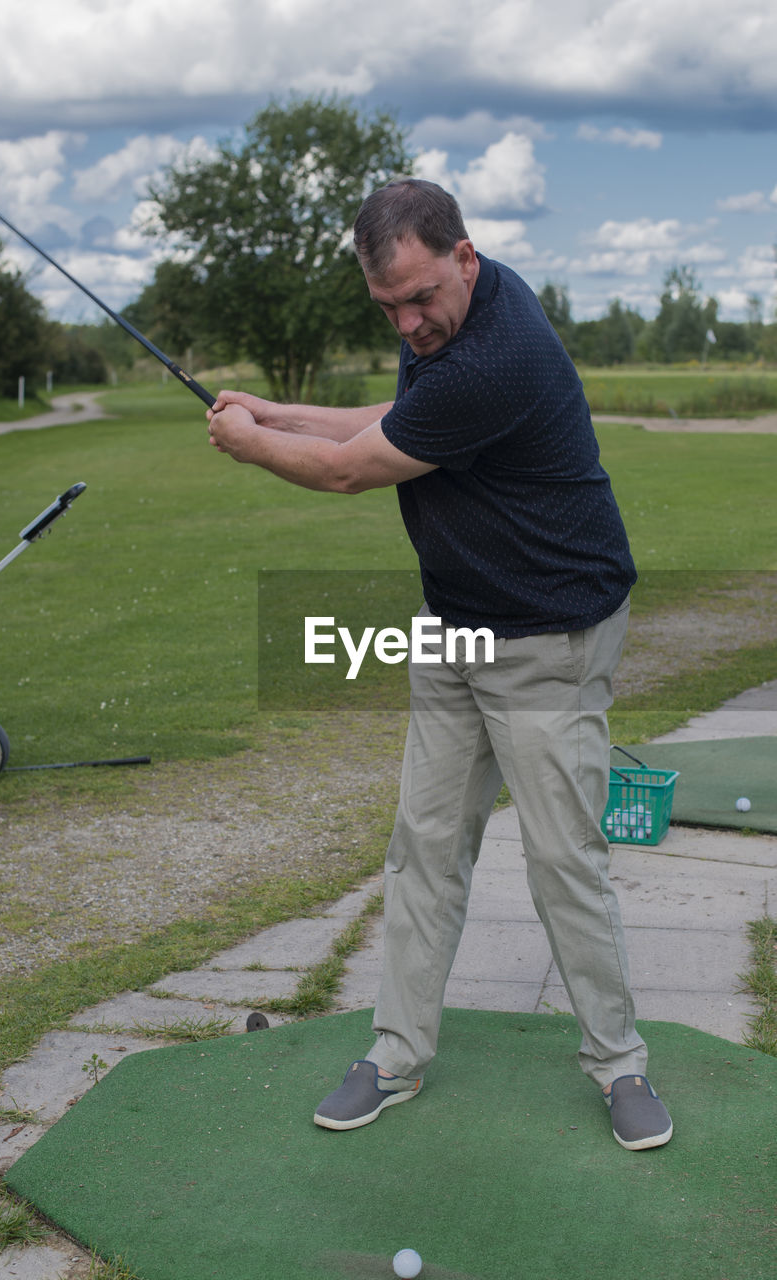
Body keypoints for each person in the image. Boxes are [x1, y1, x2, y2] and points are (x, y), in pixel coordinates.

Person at [206, 178, 673, 1152]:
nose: (409, 322)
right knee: (423, 845)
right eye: (388, 307)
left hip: (551, 635)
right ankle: (395, 1051)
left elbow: (351, 468)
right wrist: (282, 412)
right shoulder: (452, 327)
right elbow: (394, 417)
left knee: (562, 861)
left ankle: (620, 1063)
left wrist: (253, 446)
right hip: (456, 629)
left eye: (420, 297)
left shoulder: (496, 354)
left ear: (465, 254)